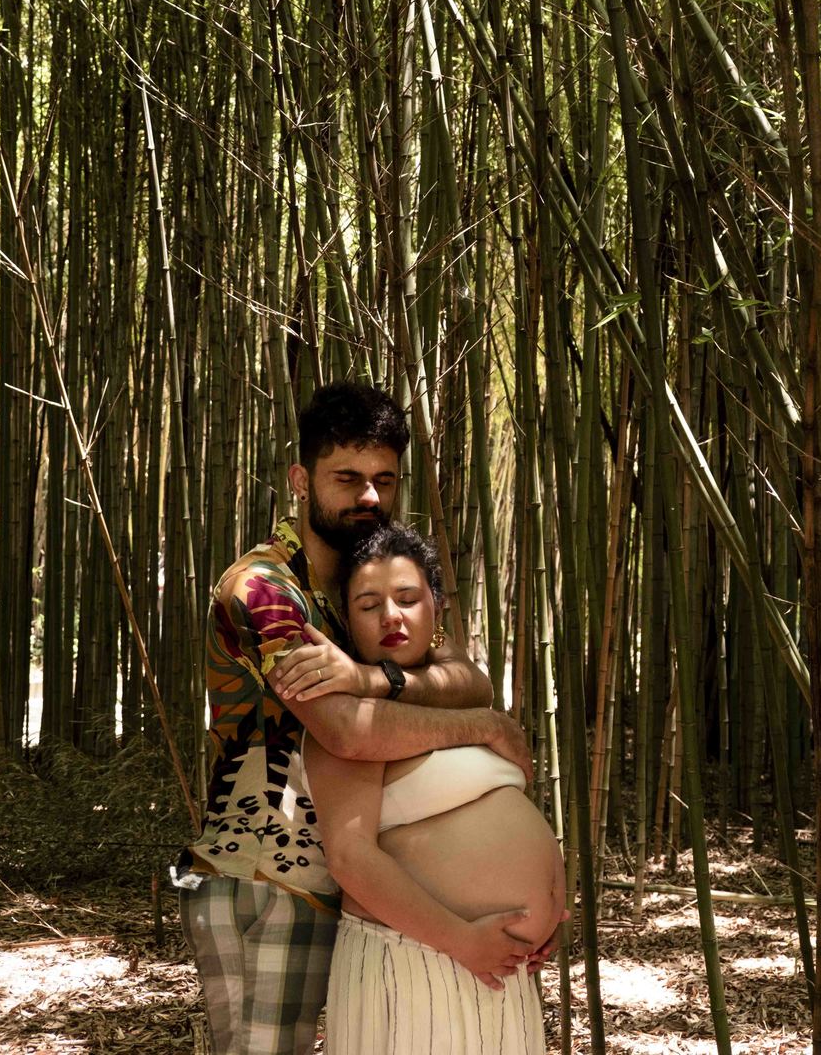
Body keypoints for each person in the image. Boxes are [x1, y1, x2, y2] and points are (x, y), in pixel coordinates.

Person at [174, 380, 533, 1055]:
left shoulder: (370, 581)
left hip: (346, 890)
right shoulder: (263, 590)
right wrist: (482, 726)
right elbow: (343, 731)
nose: (369, 496)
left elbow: (469, 677)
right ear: (301, 480)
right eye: (347, 478)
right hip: (269, 879)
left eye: (383, 481)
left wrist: (375, 676)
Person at [301, 520, 566, 1055]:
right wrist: (461, 939)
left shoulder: (459, 696)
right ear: (347, 620)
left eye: (407, 599)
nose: (391, 616)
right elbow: (350, 858)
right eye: (369, 605)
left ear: (437, 609)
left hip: (497, 967)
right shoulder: (351, 718)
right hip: (418, 959)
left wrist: (550, 913)